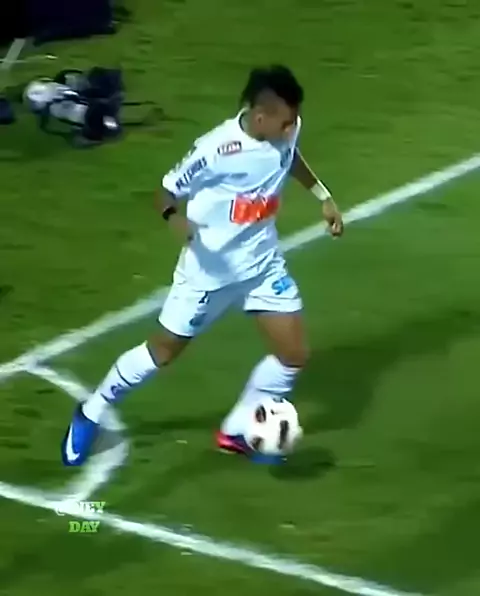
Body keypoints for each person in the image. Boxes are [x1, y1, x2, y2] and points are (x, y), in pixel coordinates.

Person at [61, 64, 343, 467]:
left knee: (293, 354)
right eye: (285, 122)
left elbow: (288, 157)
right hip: (208, 275)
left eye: (293, 121)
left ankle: (237, 430)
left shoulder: (286, 129)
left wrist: (322, 195)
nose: (291, 128)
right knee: (161, 353)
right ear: (259, 116)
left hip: (262, 267)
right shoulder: (215, 151)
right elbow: (165, 191)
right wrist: (173, 219)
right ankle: (91, 410)